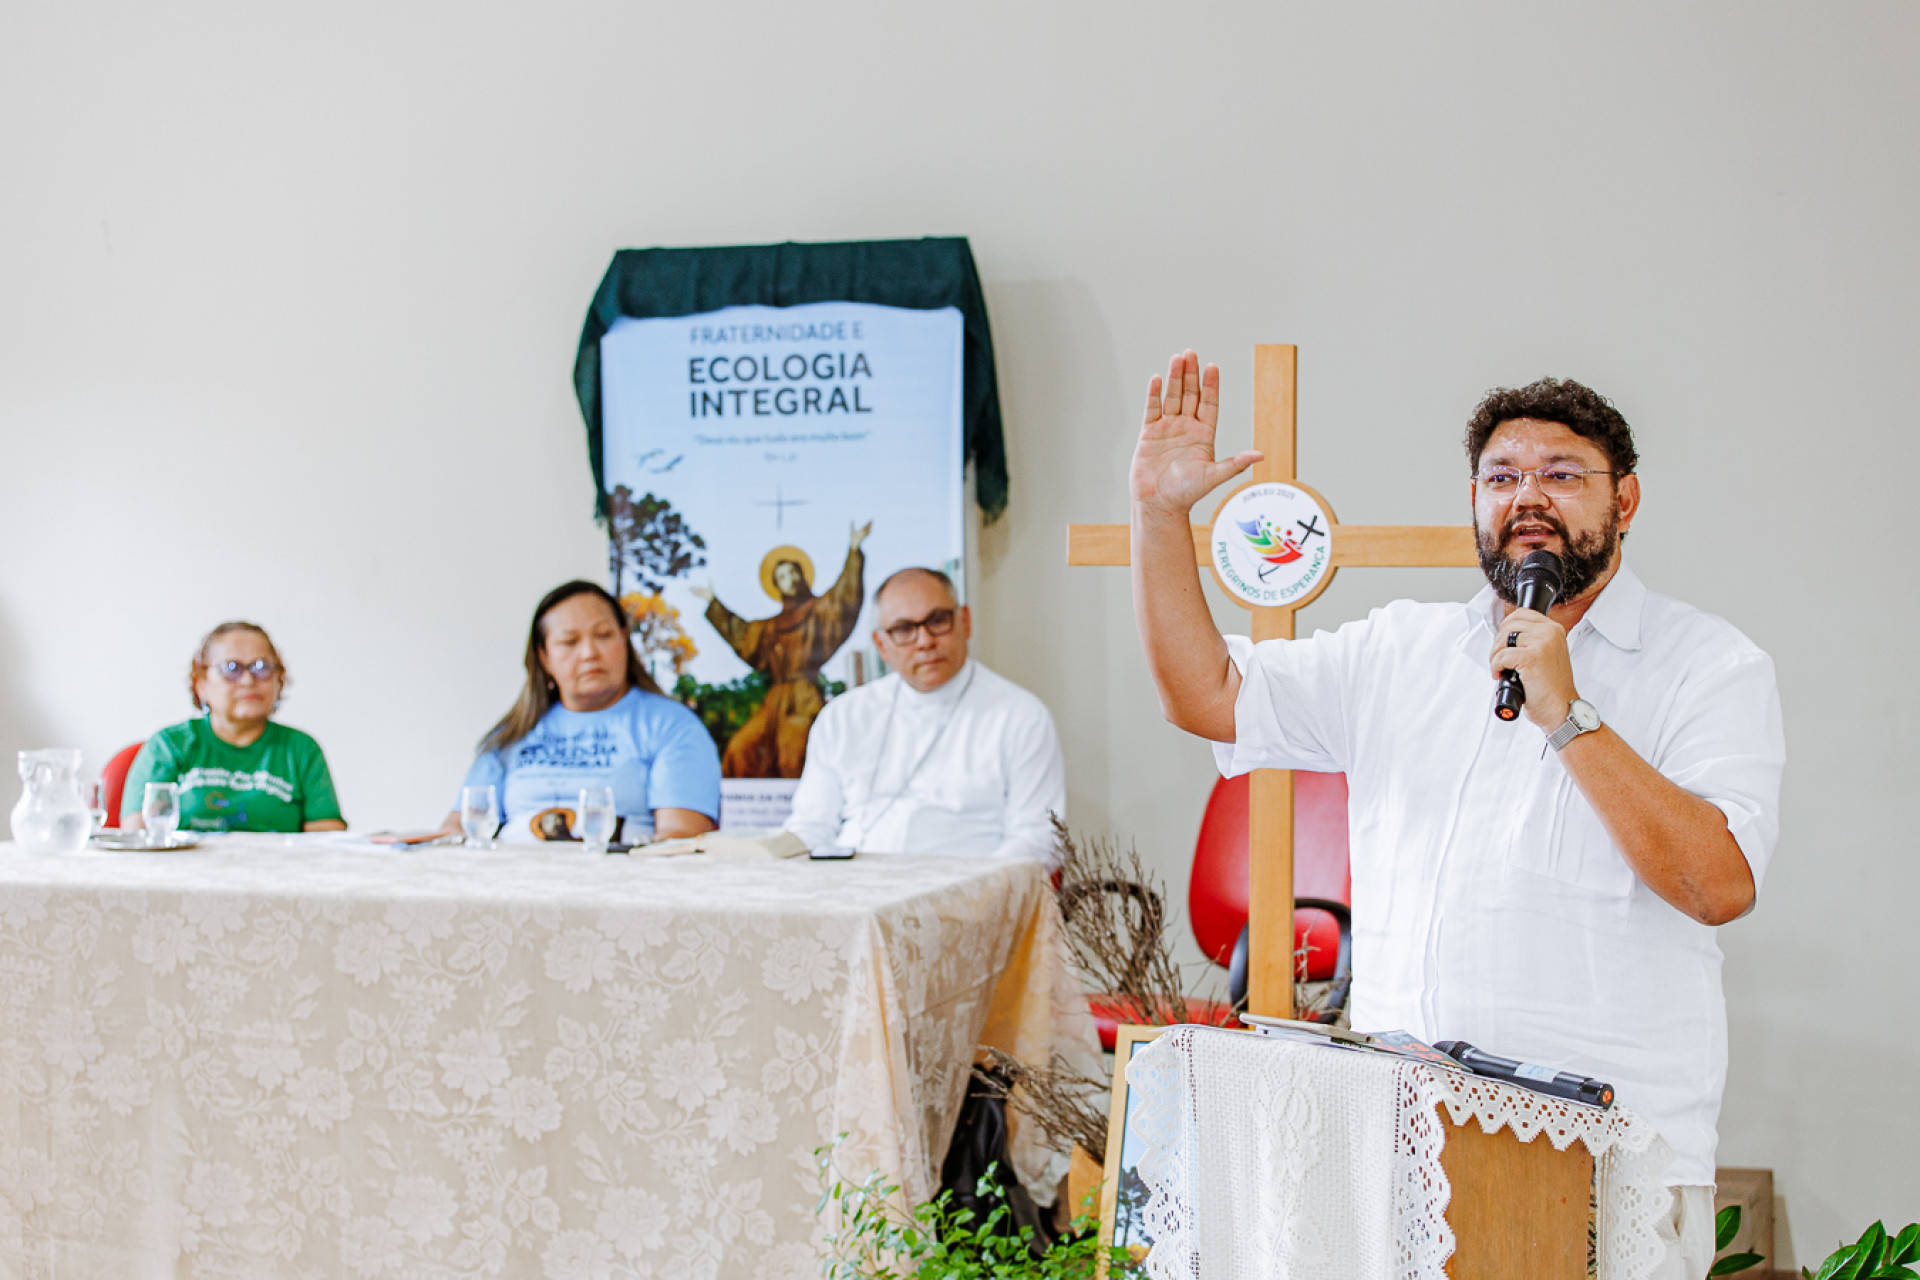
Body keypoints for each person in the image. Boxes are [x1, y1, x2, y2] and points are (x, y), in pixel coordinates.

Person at [1130, 352, 1782, 1280]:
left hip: (1605, 1149)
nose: (1529, 496)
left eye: (1562, 475)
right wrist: (1160, 517)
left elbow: (1716, 884)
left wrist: (1565, 711)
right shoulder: (1401, 648)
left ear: (1626, 500)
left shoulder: (1707, 665)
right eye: (1502, 477)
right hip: (1412, 1139)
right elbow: (1206, 695)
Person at [784, 566, 1066, 866]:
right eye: (904, 629)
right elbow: (811, 825)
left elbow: (1039, 838)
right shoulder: (842, 717)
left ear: (965, 622)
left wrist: (971, 892)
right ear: (881, 645)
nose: (925, 641)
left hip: (967, 897)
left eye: (937, 621)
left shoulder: (1020, 716)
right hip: (850, 893)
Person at [446, 581, 720, 844]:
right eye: (569, 641)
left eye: (604, 635)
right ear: (544, 657)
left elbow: (680, 839)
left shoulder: (672, 726)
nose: (589, 653)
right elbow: (458, 827)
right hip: (509, 883)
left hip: (624, 883)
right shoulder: (512, 734)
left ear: (624, 639)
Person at [122, 621, 346, 834]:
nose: (248, 680)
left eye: (262, 667)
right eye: (231, 668)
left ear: (279, 680)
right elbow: (139, 836)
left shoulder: (301, 749)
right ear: (201, 685)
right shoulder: (169, 745)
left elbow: (326, 841)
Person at [692, 522, 870, 779]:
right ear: (776, 585)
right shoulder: (770, 627)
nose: (791, 580)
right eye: (783, 577)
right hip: (774, 701)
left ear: (803, 575)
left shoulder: (818, 612)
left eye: (794, 572)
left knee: (794, 755)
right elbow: (742, 635)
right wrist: (712, 602)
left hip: (804, 698)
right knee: (740, 749)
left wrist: (854, 549)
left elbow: (843, 599)